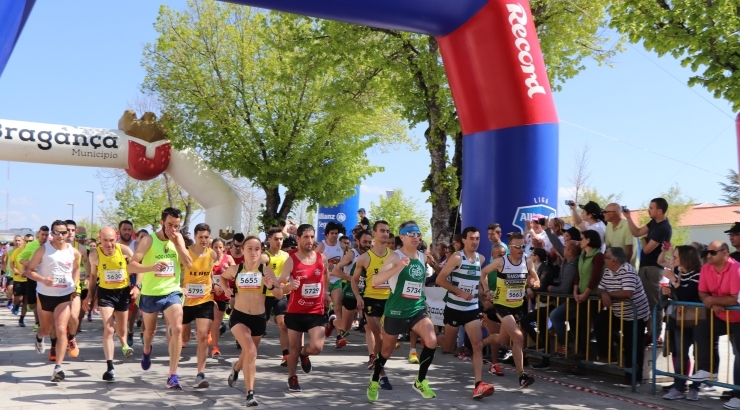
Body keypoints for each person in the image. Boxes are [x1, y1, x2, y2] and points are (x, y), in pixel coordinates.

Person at [367, 221, 439, 402]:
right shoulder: (394, 257)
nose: (415, 237)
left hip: (416, 309)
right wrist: (398, 267)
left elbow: (419, 284)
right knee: (386, 351)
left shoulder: (423, 257)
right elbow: (376, 280)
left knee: (431, 340)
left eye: (418, 233)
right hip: (396, 311)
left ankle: (421, 380)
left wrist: (424, 300)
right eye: (411, 233)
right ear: (402, 237)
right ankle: (375, 379)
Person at [128, 207, 193, 390]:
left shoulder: (178, 238)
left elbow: (189, 264)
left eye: (177, 226)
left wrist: (178, 244)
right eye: (170, 224)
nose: (173, 229)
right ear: (161, 222)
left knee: (177, 328)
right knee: (149, 332)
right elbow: (131, 267)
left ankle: (172, 375)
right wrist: (151, 267)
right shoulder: (148, 240)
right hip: (150, 293)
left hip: (171, 291)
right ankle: (147, 349)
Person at [220, 235, 282, 406]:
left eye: (257, 249)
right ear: (243, 250)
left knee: (248, 353)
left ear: (261, 251)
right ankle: (250, 394)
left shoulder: (266, 271)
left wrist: (270, 286)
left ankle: (236, 368)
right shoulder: (236, 269)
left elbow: (279, 293)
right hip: (239, 317)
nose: (253, 252)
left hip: (259, 319)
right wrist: (226, 289)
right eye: (250, 249)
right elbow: (222, 277)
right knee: (252, 352)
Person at [436, 226, 495, 399]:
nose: (475, 241)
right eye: (471, 238)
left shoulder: (480, 258)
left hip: (471, 309)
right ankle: (431, 338)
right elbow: (440, 279)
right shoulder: (456, 258)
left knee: (477, 345)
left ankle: (478, 385)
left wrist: (483, 295)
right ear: (464, 240)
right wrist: (459, 292)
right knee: (448, 346)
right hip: (454, 308)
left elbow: (475, 283)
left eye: (477, 238)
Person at [25, 220, 82, 382]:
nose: (60, 236)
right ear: (52, 233)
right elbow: (28, 271)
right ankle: (39, 336)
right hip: (45, 295)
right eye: (56, 232)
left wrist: (74, 285)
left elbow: (77, 268)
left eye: (63, 232)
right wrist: (43, 279)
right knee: (46, 328)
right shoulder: (43, 250)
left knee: (61, 329)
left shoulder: (73, 252)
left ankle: (58, 367)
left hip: (64, 294)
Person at [480, 232, 538, 388]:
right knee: (518, 337)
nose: (521, 249)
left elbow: (535, 278)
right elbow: (483, 273)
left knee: (501, 339)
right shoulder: (500, 262)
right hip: (501, 305)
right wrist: (486, 290)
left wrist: (534, 283)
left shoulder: (528, 262)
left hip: (517, 306)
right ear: (511, 247)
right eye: (517, 246)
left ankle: (480, 344)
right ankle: (522, 376)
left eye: (523, 246)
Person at [277, 223, 330, 392]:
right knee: (293, 349)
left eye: (312, 237)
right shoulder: (291, 260)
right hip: (295, 312)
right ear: (298, 238)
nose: (309, 240)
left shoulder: (322, 258)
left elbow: (326, 274)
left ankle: (305, 354)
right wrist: (288, 286)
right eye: (306, 237)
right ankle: (292, 377)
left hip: (316, 310)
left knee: (317, 347)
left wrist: (326, 292)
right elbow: (281, 284)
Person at [689, 241, 740, 409]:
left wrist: (712, 300)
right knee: (702, 331)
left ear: (725, 253)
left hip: (738, 317)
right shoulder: (706, 268)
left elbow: (734, 298)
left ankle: (738, 397)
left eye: (713, 252)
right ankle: (708, 370)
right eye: (707, 252)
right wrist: (712, 303)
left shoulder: (736, 269)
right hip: (722, 315)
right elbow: (702, 292)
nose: (708, 255)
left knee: (739, 356)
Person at [84, 227, 138, 381]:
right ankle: (110, 367)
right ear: (99, 239)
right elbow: (94, 276)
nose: (109, 244)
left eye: (112, 240)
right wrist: (90, 295)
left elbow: (138, 268)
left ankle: (124, 344)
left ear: (116, 238)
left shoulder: (125, 250)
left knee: (122, 329)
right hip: (105, 293)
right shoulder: (95, 255)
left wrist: (138, 287)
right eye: (105, 240)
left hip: (122, 293)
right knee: (108, 328)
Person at [595, 247, 650, 388]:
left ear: (614, 260)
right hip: (618, 311)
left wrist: (609, 294)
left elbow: (627, 293)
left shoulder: (628, 271)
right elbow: (599, 288)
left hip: (635, 313)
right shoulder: (608, 271)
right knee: (600, 320)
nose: (604, 260)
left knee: (633, 345)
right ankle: (607, 355)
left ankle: (633, 378)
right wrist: (603, 294)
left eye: (606, 258)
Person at [624, 198, 672, 341]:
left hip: (653, 269)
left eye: (651, 208)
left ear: (659, 210)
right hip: (645, 267)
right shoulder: (653, 223)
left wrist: (644, 240)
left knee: (653, 303)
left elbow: (647, 249)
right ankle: (648, 332)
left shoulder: (664, 227)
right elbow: (637, 232)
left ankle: (655, 334)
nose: (648, 210)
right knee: (643, 302)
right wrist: (628, 218)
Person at [352, 220, 393, 380]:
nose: (385, 234)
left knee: (389, 338)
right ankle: (380, 372)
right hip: (371, 300)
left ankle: (376, 360)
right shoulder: (364, 258)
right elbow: (354, 280)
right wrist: (358, 297)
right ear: (374, 233)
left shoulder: (394, 256)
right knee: (379, 335)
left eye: (387, 231)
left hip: (390, 301)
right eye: (382, 231)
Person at [180, 223, 220, 388]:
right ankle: (174, 329)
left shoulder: (213, 254)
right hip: (186, 300)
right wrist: (180, 287)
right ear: (195, 237)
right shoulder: (185, 254)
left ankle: (200, 374)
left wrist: (214, 284)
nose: (204, 240)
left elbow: (210, 273)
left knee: (203, 336)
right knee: (185, 338)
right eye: (200, 237)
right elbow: (177, 274)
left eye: (206, 237)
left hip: (205, 300)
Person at [661, 245, 702, 401]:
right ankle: (679, 386)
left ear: (685, 258)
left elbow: (688, 294)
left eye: (676, 256)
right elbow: (678, 294)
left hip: (698, 319)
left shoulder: (698, 273)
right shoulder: (680, 273)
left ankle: (695, 387)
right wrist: (669, 291)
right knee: (680, 353)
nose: (673, 259)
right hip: (680, 319)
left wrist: (673, 280)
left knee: (698, 354)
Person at [331, 230, 372, 348]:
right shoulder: (352, 254)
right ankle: (332, 321)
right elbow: (335, 271)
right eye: (365, 242)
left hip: (367, 293)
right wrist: (352, 278)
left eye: (369, 242)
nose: (367, 245)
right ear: (357, 241)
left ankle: (374, 352)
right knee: (346, 326)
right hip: (350, 293)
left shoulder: (372, 254)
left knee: (369, 323)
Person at [569, 229, 604, 358]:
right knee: (581, 324)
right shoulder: (583, 254)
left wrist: (585, 294)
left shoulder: (598, 255)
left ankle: (603, 354)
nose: (580, 241)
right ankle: (581, 352)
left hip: (594, 297)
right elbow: (578, 274)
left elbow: (595, 277)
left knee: (598, 325)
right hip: (582, 296)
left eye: (582, 238)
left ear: (589, 240)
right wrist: (575, 290)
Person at [544, 241, 581, 363]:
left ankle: (566, 345)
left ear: (570, 252)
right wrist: (548, 230)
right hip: (569, 300)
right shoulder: (568, 261)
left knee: (555, 315)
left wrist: (551, 288)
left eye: (565, 248)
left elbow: (565, 289)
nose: (562, 249)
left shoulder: (572, 265)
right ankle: (568, 349)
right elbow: (559, 247)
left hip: (573, 301)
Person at [261, 228, 290, 365]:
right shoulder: (265, 256)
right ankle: (249, 350)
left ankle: (286, 355)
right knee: (260, 327)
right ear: (269, 240)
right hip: (265, 295)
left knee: (283, 324)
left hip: (280, 294)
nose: (279, 241)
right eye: (276, 239)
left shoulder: (286, 256)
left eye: (281, 239)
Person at [317, 222, 345, 343]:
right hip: (324, 281)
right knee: (324, 307)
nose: (334, 235)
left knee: (338, 307)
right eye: (332, 233)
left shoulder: (342, 245)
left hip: (337, 280)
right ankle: (324, 328)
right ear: (327, 234)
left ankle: (339, 336)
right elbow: (315, 262)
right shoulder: (322, 246)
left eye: (336, 233)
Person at [209, 238, 235, 357]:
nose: (218, 250)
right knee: (216, 321)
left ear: (224, 248)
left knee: (217, 321)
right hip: (211, 293)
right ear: (211, 247)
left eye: (220, 247)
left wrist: (228, 269)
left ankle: (211, 334)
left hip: (224, 294)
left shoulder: (228, 259)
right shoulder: (208, 258)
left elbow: (236, 273)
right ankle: (215, 347)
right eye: (215, 247)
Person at [18, 230, 47, 338]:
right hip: (33, 277)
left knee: (41, 300)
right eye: (42, 235)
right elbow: (19, 258)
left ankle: (38, 323)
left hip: (44, 278)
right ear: (38, 235)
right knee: (32, 303)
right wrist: (25, 263)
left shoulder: (50, 246)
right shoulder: (31, 245)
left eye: (46, 235)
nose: (44, 237)